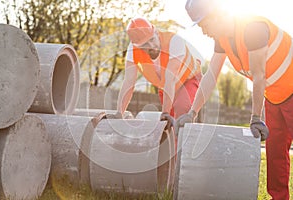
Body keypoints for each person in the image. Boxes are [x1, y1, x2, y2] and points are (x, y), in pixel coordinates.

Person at [176, 0, 293, 199]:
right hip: (275, 98)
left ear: (217, 15)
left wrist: (255, 117)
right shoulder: (222, 39)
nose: (204, 31)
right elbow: (210, 76)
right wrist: (192, 113)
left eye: (204, 24)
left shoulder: (253, 28)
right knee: (275, 157)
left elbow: (259, 74)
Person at [106, 17, 202, 130]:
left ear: (156, 31)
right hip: (166, 87)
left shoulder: (174, 41)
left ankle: (185, 147)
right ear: (137, 46)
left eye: (152, 40)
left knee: (181, 108)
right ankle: (174, 147)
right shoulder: (133, 50)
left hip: (189, 79)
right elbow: (128, 82)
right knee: (167, 125)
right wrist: (119, 113)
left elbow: (170, 79)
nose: (151, 46)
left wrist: (165, 112)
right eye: (144, 45)